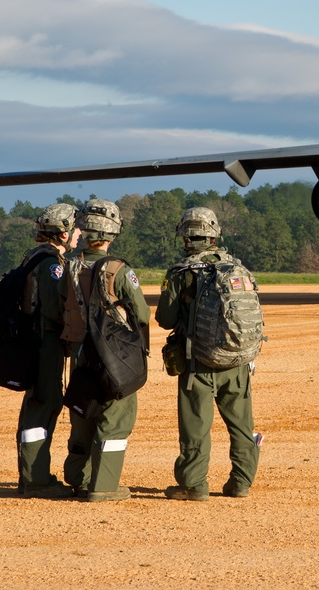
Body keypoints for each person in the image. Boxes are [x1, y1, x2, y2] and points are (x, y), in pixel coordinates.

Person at [156, 207, 262, 500]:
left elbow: (165, 319)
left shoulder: (180, 272)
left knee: (195, 427)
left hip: (197, 363)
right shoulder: (237, 269)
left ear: (185, 237)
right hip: (237, 361)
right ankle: (241, 482)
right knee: (241, 425)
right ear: (214, 234)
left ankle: (193, 484)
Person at [62, 199, 150, 502]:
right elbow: (142, 314)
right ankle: (103, 486)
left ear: (83, 231)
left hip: (78, 353)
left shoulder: (68, 267)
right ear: (112, 235)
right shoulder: (119, 271)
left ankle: (78, 478)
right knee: (116, 417)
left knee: (83, 413)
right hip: (113, 355)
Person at [16, 203, 80, 499]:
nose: (79, 233)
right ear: (63, 233)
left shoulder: (32, 257)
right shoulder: (52, 264)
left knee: (35, 406)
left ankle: (29, 476)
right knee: (45, 404)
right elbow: (55, 309)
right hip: (46, 344)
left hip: (30, 343)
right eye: (75, 228)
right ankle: (37, 480)